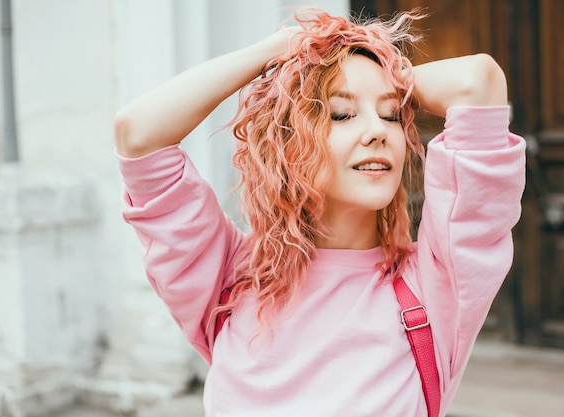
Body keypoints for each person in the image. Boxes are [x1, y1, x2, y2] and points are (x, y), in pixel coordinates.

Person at [114, 8, 525, 417]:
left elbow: (478, 82)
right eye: (342, 114)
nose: (378, 131)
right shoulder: (228, 277)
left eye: (391, 113)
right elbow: (138, 132)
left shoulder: (436, 285)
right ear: (290, 145)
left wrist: (366, 55)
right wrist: (280, 53)